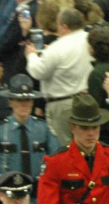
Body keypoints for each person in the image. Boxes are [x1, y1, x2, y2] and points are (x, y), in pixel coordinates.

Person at [36, 93, 109, 204]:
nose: (91, 133)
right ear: (72, 127)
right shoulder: (55, 162)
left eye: (95, 127)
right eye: (84, 128)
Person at [24, 7, 94, 141]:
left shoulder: (59, 47)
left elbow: (38, 71)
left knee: (65, 149)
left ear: (64, 26)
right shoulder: (90, 40)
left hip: (62, 105)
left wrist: (31, 55)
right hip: (87, 101)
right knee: (85, 144)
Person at [0, 74, 60, 180]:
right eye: (19, 100)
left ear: (33, 102)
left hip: (38, 190)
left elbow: (57, 160)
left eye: (28, 100)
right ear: (10, 102)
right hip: (8, 190)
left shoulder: (44, 129)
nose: (24, 104)